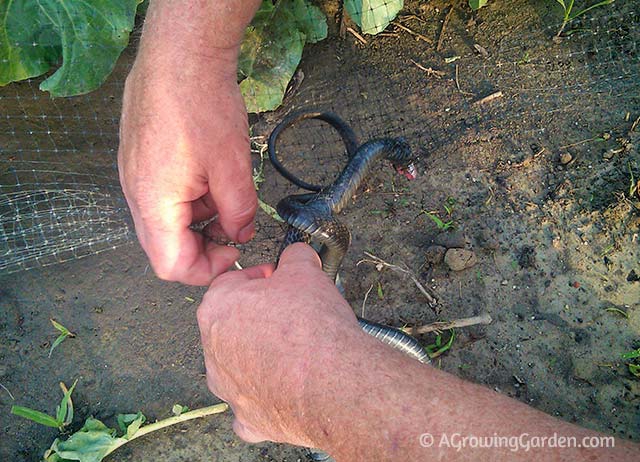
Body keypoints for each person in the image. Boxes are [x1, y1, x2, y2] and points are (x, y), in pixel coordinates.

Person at [118, 1, 637, 460]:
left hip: (324, 239)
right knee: (325, 244)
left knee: (327, 245)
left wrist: (322, 389)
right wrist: (189, 61)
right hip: (320, 232)